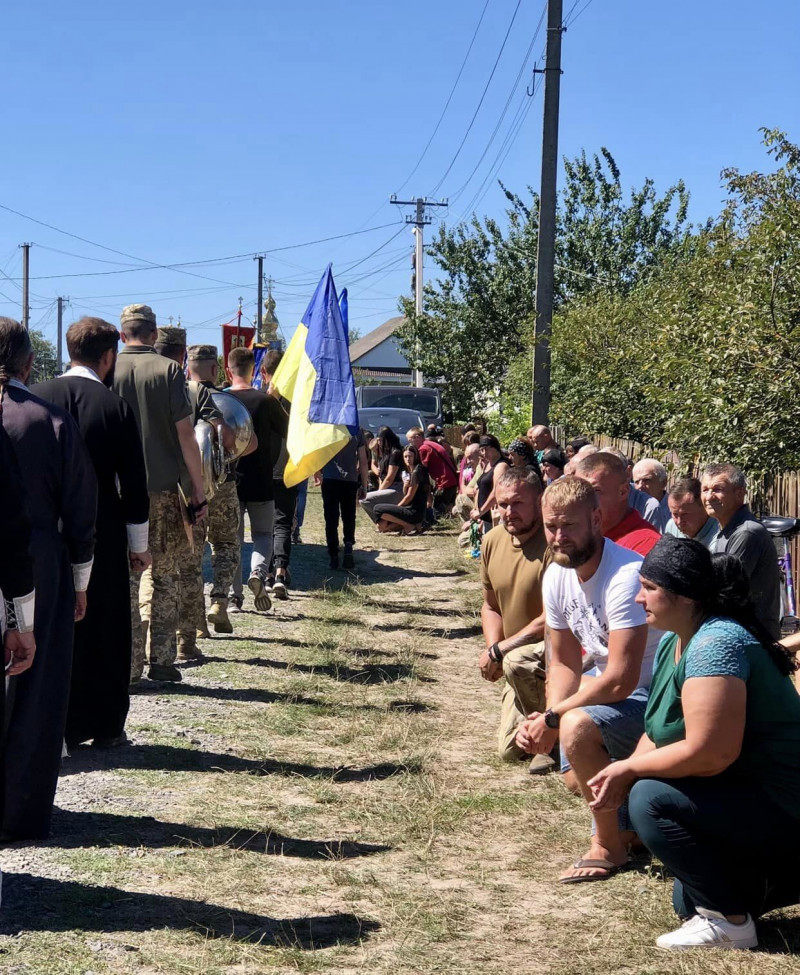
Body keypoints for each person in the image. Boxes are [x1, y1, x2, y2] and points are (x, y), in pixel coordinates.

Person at [589, 537, 800, 950]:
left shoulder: (716, 643)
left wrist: (631, 772)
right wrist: (620, 775)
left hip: (785, 804)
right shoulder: (676, 638)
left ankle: (732, 925)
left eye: (649, 587)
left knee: (651, 798)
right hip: (751, 800)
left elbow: (713, 753)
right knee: (687, 900)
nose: (637, 597)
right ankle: (746, 897)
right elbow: (659, 728)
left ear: (684, 596)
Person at [515, 476, 661, 883]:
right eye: (550, 526)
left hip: (654, 698)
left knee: (576, 729)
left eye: (569, 526)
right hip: (610, 698)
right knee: (569, 773)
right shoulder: (557, 575)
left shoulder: (626, 575)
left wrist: (556, 719)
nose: (558, 537)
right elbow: (562, 663)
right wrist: (548, 716)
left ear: (596, 519)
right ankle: (633, 826)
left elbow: (620, 679)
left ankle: (608, 846)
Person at [33, 317, 150, 749]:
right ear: (107, 357)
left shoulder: (37, 397)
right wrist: (140, 548)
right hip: (102, 531)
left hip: (46, 533)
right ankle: (104, 724)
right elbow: (135, 486)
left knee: (50, 627)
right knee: (105, 627)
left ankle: (53, 722)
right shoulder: (115, 406)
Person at [0, 317, 97, 840]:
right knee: (38, 691)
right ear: (28, 363)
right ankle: (21, 811)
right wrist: (81, 581)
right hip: (41, 560)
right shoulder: (51, 421)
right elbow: (82, 512)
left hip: (22, 553)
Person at [113, 306, 207, 684]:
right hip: (164, 493)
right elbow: (187, 436)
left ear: (123, 336)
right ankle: (163, 661)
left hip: (119, 494)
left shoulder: (107, 369)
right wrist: (197, 492)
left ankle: (130, 664)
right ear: (153, 335)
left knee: (127, 582)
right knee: (165, 578)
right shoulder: (170, 371)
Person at [477, 468, 554, 773]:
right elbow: (490, 606)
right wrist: (494, 648)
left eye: (518, 503)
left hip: (552, 656)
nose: (509, 512)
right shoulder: (493, 540)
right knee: (510, 751)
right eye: (503, 504)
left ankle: (552, 736)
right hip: (515, 658)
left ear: (539, 502)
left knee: (517, 661)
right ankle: (538, 734)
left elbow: (551, 619)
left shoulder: (553, 545)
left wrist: (500, 652)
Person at [185, 343, 244, 633]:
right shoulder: (226, 400)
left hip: (187, 488)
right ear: (214, 369)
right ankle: (219, 601)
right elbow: (249, 444)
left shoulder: (179, 398)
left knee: (192, 552)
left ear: (187, 368)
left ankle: (195, 622)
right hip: (224, 485)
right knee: (226, 545)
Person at [226, 346, 287, 612]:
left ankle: (233, 597)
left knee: (233, 539)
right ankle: (258, 573)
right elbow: (288, 431)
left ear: (228, 370)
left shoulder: (220, 399)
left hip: (229, 481)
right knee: (263, 534)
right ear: (254, 370)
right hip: (262, 478)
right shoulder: (266, 401)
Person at [701, 463, 781, 640]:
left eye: (717, 489)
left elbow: (724, 594)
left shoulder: (746, 533)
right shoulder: (726, 530)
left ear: (740, 493)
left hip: (754, 640)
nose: (709, 496)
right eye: (705, 489)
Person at [575, 452, 660, 556]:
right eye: (578, 491)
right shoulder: (578, 536)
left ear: (623, 492)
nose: (582, 500)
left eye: (595, 491)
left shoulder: (645, 547)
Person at [261, 349, 295, 600]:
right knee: (283, 523)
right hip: (288, 470)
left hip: (262, 472)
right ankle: (281, 572)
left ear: (264, 373)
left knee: (265, 527)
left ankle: (268, 574)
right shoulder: (295, 403)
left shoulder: (259, 400)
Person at [318, 430, 369, 569]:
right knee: (349, 516)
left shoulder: (328, 429)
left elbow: (317, 455)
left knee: (331, 518)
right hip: (349, 480)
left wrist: (318, 474)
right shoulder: (356, 431)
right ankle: (348, 547)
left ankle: (333, 554)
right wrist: (364, 486)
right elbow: (363, 462)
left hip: (329, 479)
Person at [373, 444, 429, 534]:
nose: (408, 459)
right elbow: (408, 494)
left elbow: (409, 497)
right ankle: (410, 525)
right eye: (405, 456)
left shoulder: (417, 472)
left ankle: (408, 525)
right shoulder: (413, 471)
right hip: (415, 511)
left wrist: (397, 508)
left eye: (410, 456)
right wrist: (405, 487)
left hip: (414, 512)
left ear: (416, 456)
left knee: (377, 508)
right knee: (381, 526)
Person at [599, 447, 662, 527]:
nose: (605, 480)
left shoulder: (648, 507)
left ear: (628, 473)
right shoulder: (589, 500)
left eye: (611, 475)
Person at [406, 427, 458, 515]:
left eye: (410, 440)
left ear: (417, 437)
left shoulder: (424, 448)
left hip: (444, 482)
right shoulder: (430, 443)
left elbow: (421, 469)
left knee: (437, 512)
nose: (410, 444)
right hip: (451, 480)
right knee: (447, 507)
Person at [360, 426, 406, 522]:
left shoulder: (396, 453)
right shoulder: (385, 453)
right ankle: (382, 521)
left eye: (381, 440)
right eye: (379, 441)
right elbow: (382, 475)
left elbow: (390, 477)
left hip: (396, 488)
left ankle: (383, 520)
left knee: (365, 500)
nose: (379, 443)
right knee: (364, 499)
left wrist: (379, 492)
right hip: (388, 487)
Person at [664, 476, 718, 547]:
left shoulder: (719, 535)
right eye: (675, 514)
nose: (679, 522)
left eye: (685, 514)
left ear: (704, 507)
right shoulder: (671, 527)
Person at [471, 435, 509, 534]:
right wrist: (477, 509)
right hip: (486, 516)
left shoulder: (501, 466)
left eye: (486, 449)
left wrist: (481, 511)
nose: (484, 453)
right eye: (481, 450)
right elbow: (479, 488)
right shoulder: (488, 464)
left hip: (494, 516)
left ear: (495, 448)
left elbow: (496, 490)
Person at [632, 458, 670, 531]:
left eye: (646, 480)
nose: (640, 486)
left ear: (663, 482)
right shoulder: (632, 508)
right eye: (637, 482)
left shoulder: (675, 512)